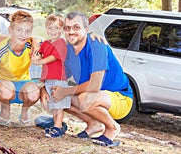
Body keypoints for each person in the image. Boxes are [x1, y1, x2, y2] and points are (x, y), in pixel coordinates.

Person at [41, 12, 133, 147]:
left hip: (120, 97)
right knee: (54, 95)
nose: (71, 31)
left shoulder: (97, 46)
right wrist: (44, 89)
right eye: (67, 28)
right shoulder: (67, 50)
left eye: (76, 27)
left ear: (86, 29)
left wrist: (65, 91)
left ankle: (112, 128)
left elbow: (94, 85)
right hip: (95, 96)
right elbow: (58, 75)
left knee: (83, 98)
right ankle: (94, 124)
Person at [0, 10, 40, 129]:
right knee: (7, 89)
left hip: (22, 84)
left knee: (34, 92)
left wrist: (35, 40)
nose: (23, 34)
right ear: (10, 30)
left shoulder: (31, 46)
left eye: (27, 31)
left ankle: (24, 112)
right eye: (18, 30)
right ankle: (4, 110)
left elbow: (53, 46)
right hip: (3, 86)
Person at [31, 14, 71, 138]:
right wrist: (35, 55)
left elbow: (53, 57)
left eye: (57, 28)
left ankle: (57, 127)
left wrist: (39, 61)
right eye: (50, 28)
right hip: (48, 79)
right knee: (53, 105)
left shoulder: (61, 42)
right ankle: (57, 124)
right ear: (46, 28)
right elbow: (39, 51)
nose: (53, 31)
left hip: (58, 79)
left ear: (62, 30)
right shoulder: (46, 43)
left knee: (58, 104)